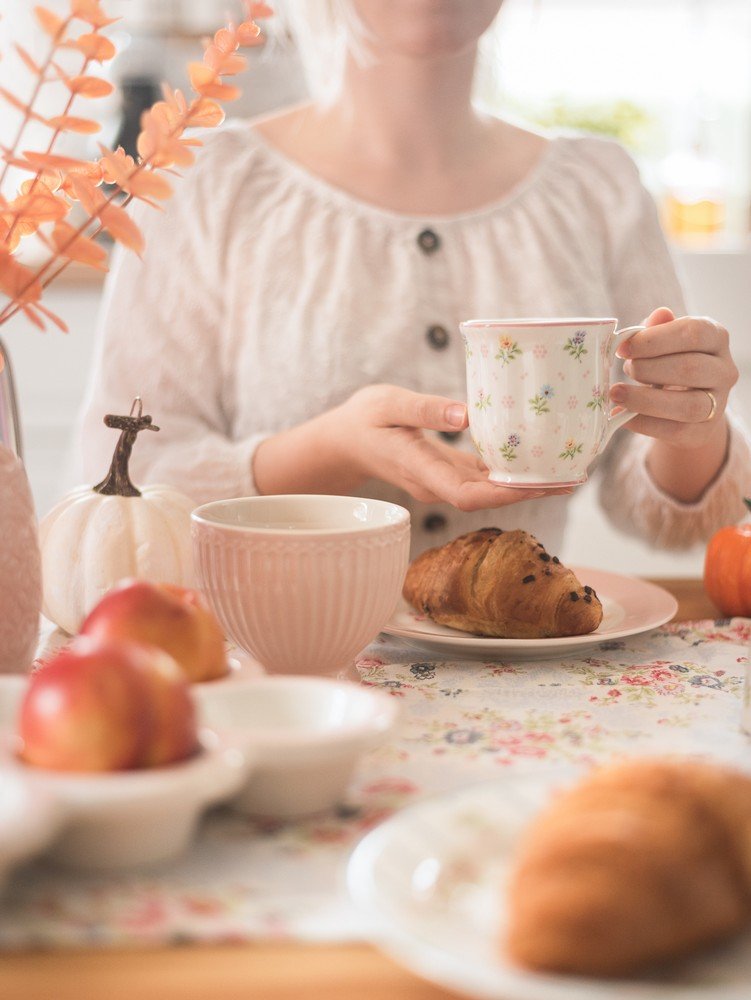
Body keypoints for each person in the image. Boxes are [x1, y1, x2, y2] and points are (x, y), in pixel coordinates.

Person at [75, 0, 750, 559]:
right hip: (277, 669)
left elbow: (664, 511)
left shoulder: (599, 188)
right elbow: (119, 491)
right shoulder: (202, 186)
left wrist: (696, 425)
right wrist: (331, 449)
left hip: (536, 673)